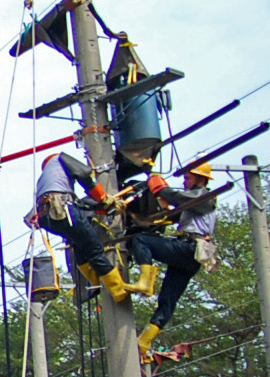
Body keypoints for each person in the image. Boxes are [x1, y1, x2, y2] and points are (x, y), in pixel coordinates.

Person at [132, 160, 219, 355]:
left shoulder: (204, 197)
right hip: (193, 257)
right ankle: (144, 341)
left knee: (141, 241)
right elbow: (172, 215)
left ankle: (145, 282)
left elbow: (176, 197)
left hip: (189, 248)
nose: (186, 182)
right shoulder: (195, 205)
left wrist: (160, 188)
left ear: (199, 178)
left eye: (188, 177)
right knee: (168, 300)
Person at [27, 151, 128, 301]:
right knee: (94, 249)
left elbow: (80, 206)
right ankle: (119, 290)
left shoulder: (46, 181)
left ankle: (94, 280)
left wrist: (100, 206)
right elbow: (85, 176)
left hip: (49, 218)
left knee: (80, 243)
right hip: (62, 209)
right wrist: (104, 198)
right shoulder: (60, 158)